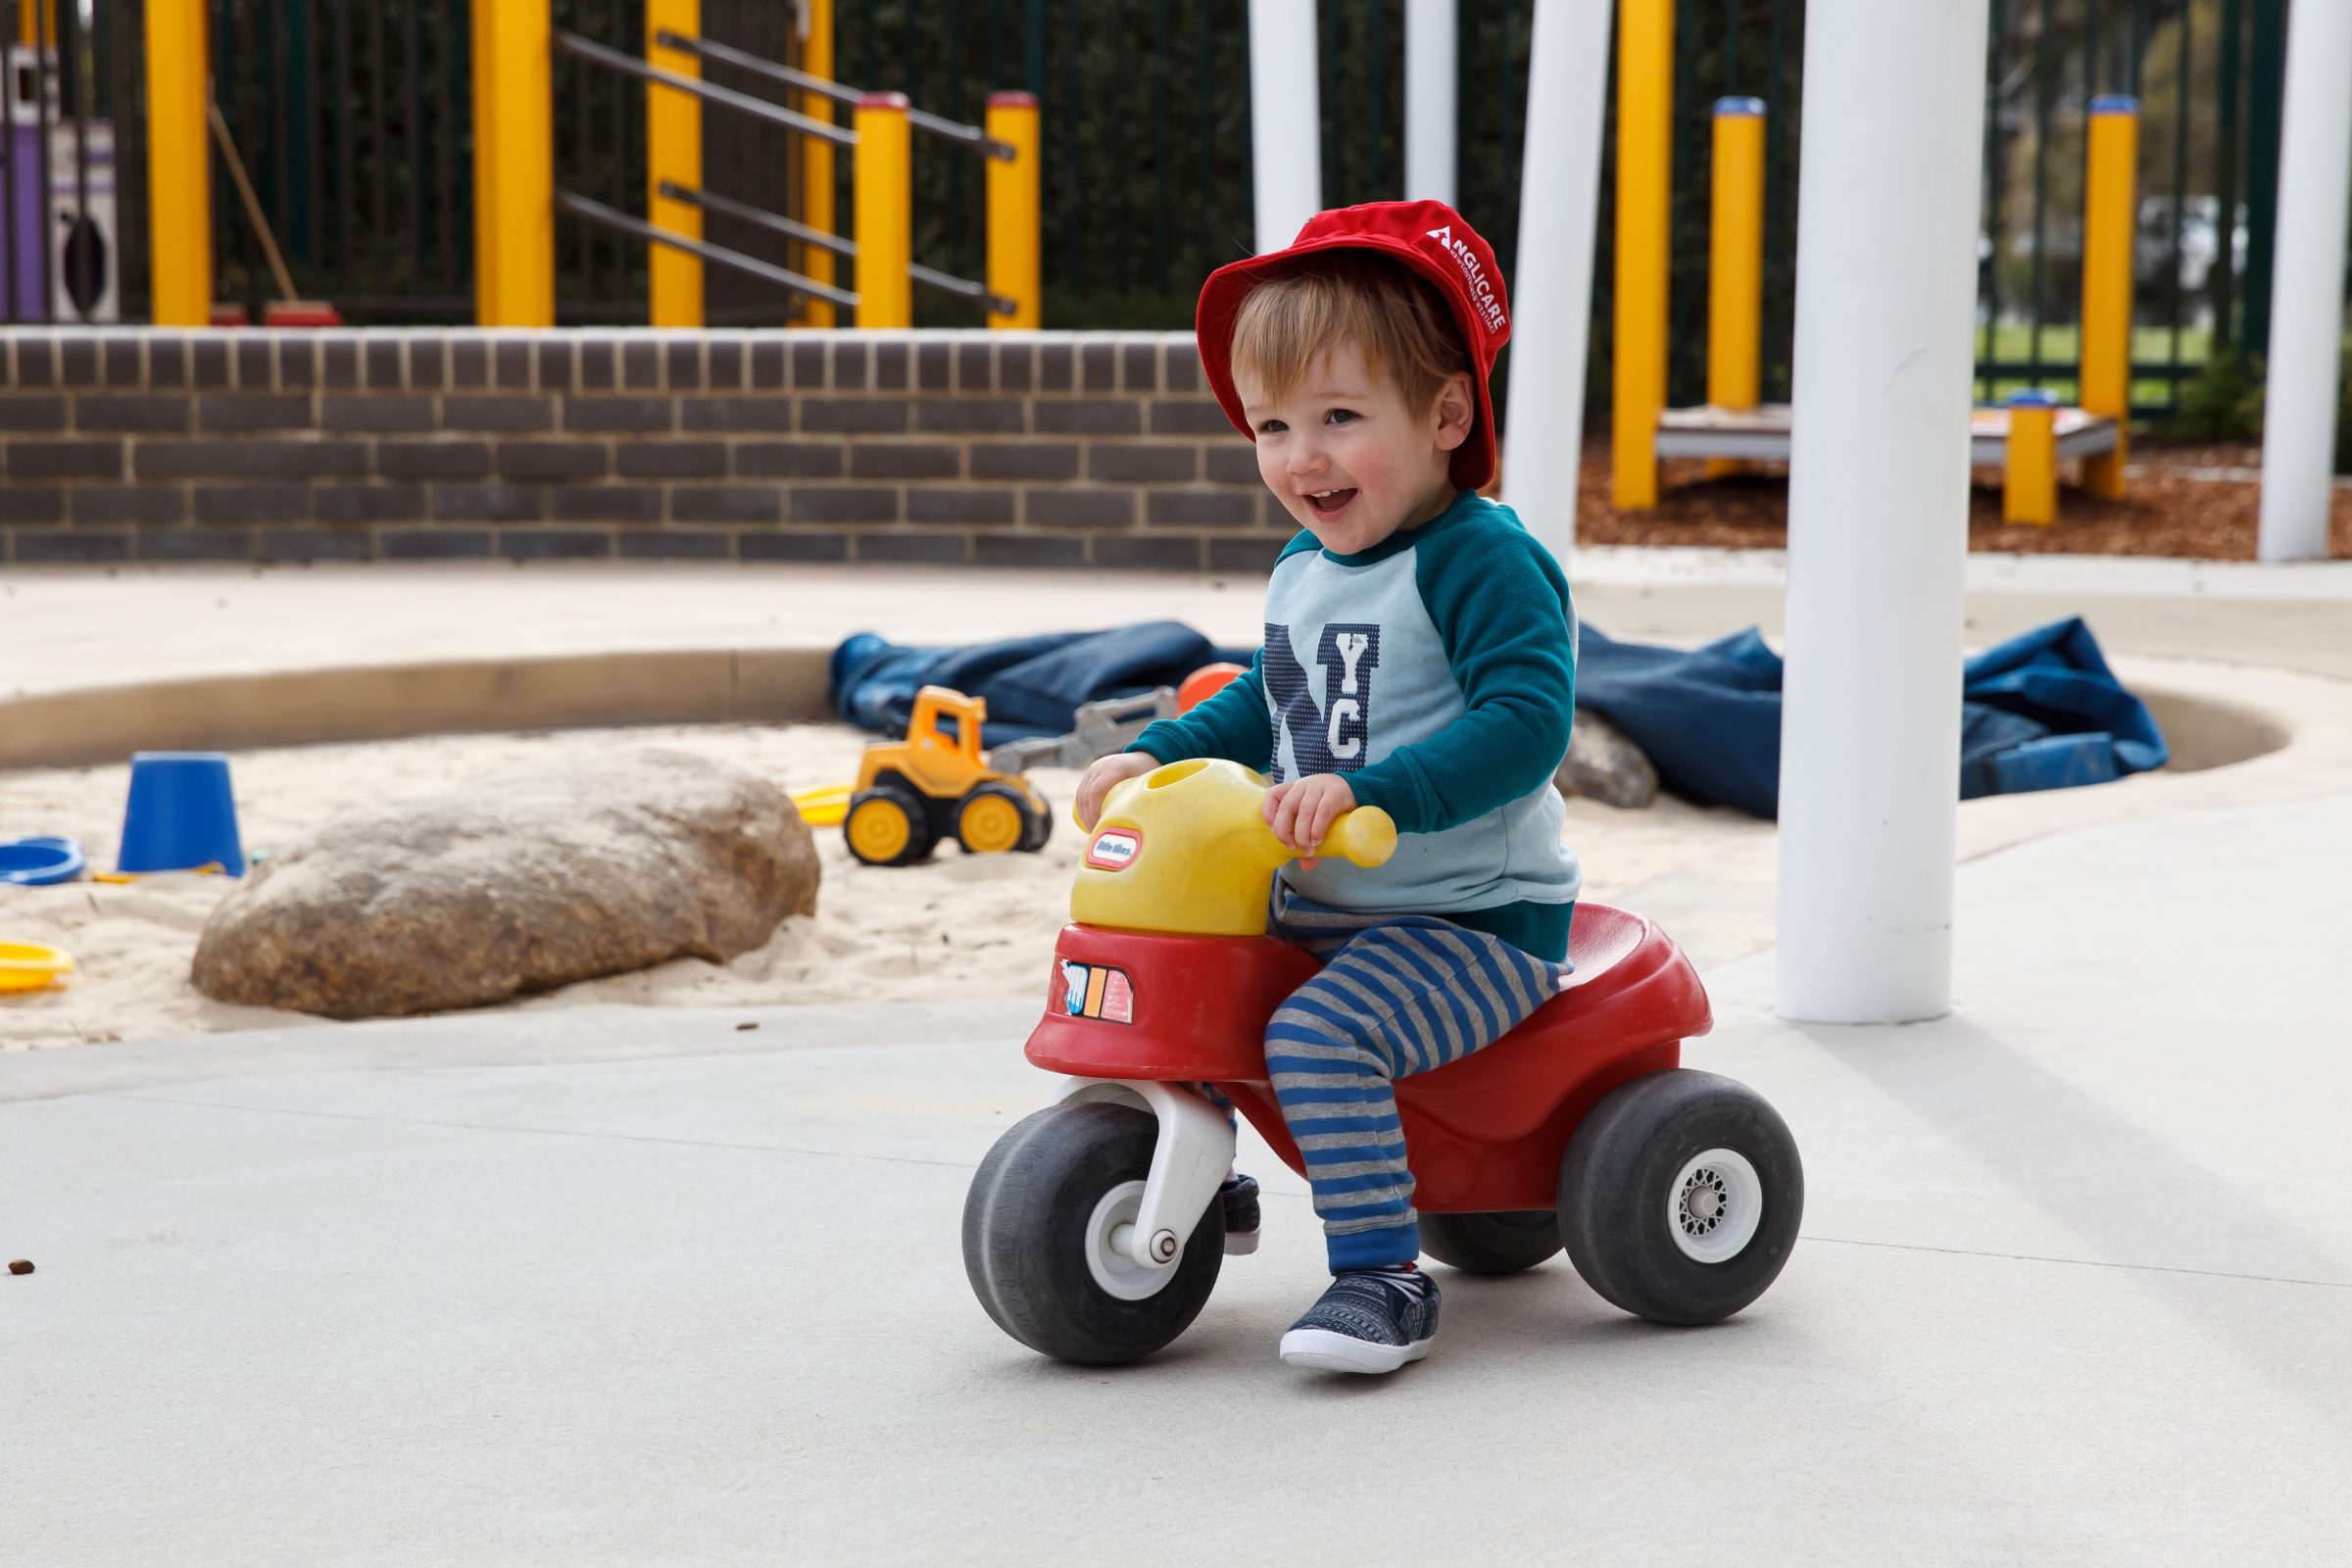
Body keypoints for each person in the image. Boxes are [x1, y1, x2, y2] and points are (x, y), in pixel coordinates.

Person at [1074, 201, 1581, 1375]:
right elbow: (1270, 695)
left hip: (1467, 919)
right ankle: (1198, 1186)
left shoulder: (1479, 559)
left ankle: (1382, 1277)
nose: (1302, 458)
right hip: (1327, 902)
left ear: (1446, 413)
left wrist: (1378, 793)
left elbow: (1526, 723)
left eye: (1340, 418)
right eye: (1272, 425)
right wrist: (1159, 753)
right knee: (1183, 980)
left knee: (1316, 1031)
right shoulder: (1307, 565)